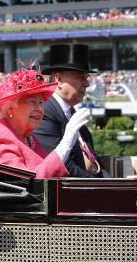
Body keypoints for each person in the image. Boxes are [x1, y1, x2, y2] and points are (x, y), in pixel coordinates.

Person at [0, 65, 90, 179]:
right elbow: (23, 184)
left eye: (40, 102)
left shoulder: (28, 138)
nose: (39, 109)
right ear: (10, 107)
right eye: (31, 102)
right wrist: (65, 144)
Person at [34, 44, 105, 177]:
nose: (87, 83)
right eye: (80, 77)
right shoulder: (44, 113)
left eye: (87, 77)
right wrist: (101, 185)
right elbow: (61, 165)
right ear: (59, 79)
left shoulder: (72, 115)